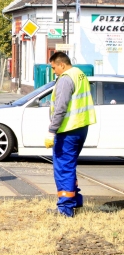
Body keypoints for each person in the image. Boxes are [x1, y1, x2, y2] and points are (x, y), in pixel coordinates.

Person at [45, 52, 96, 217]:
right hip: (81, 127)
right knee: (70, 166)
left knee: (63, 168)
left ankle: (65, 209)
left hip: (68, 130)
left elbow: (60, 107)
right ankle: (75, 200)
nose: (54, 71)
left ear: (61, 64)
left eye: (54, 68)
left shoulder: (66, 78)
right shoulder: (80, 74)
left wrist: (52, 131)